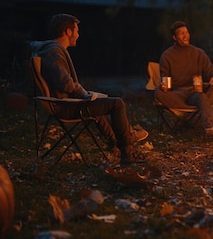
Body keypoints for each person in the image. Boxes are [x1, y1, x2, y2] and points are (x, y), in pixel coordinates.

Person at [31, 14, 148, 165]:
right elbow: (65, 83)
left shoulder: (52, 50)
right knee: (117, 104)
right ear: (68, 32)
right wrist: (84, 94)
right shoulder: (54, 52)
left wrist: (88, 95)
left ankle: (116, 143)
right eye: (76, 31)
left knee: (100, 102)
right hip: (65, 106)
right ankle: (128, 151)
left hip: (65, 103)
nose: (78, 35)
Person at [155, 21, 213, 137]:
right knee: (158, 92)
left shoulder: (198, 53)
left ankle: (210, 128)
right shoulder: (167, 56)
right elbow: (164, 78)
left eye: (186, 32)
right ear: (174, 37)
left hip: (195, 93)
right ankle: (195, 107)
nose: (185, 35)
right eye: (181, 33)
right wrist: (164, 86)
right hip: (178, 94)